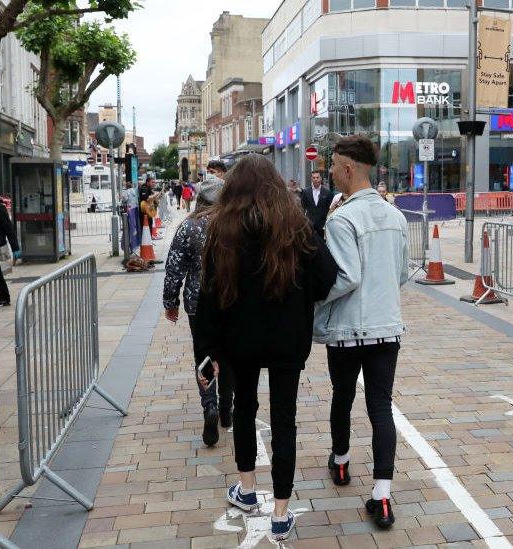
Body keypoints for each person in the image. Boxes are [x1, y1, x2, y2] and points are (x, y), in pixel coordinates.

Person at [195, 154, 338, 542]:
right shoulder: (297, 229)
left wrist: (207, 351)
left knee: (244, 409)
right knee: (284, 420)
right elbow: (326, 280)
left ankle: (245, 488)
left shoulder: (222, 230)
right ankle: (280, 511)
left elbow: (206, 296)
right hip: (288, 340)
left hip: (238, 340)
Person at [314, 135, 409, 529]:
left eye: (333, 165)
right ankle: (382, 496)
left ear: (349, 169)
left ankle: (340, 463)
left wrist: (318, 298)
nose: (330, 172)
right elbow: (402, 273)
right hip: (387, 327)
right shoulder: (397, 216)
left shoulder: (342, 218)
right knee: (380, 408)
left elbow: (347, 276)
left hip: (349, 329)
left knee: (342, 395)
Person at [163, 176, 234, 447]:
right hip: (231, 300)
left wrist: (171, 302)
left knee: (204, 355)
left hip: (197, 303)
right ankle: (227, 409)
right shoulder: (234, 225)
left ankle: (209, 406)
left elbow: (174, 268)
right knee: (229, 355)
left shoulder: (189, 227)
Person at [301, 170, 333, 238]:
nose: (315, 179)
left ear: (321, 178)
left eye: (317, 177)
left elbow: (331, 208)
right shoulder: (306, 191)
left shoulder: (327, 192)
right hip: (310, 225)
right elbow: (302, 208)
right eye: (313, 177)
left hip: (323, 226)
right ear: (311, 179)